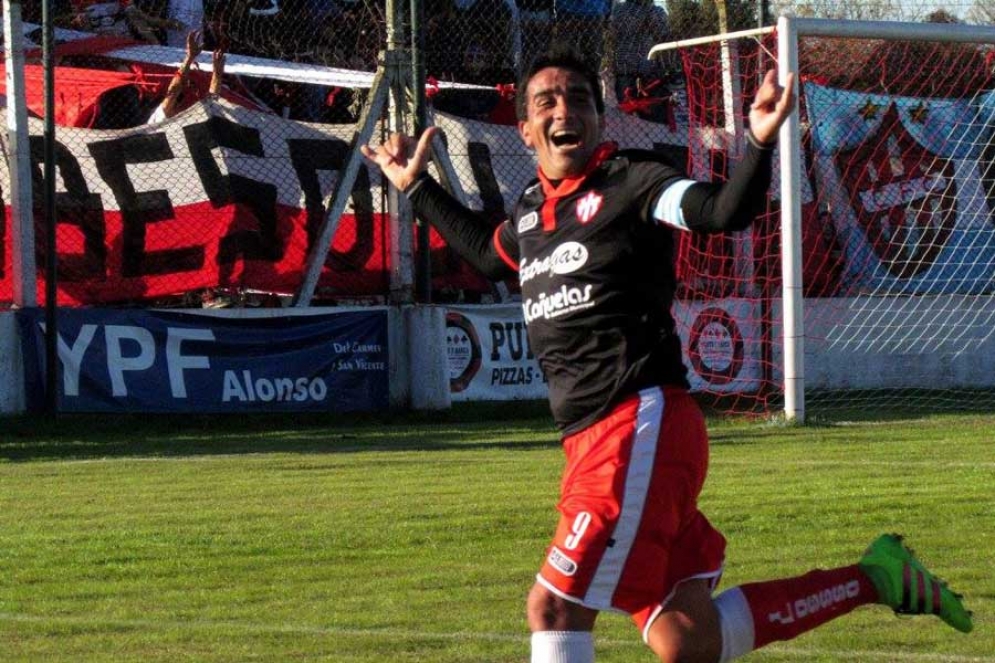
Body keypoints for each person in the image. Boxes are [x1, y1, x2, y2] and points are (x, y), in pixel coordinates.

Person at [360, 44, 973, 662]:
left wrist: (758, 142)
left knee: (553, 607)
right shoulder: (529, 213)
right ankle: (878, 577)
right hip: (595, 441)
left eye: (578, 98)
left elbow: (721, 212)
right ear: (525, 129)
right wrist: (416, 188)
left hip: (638, 420)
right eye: (546, 100)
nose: (563, 109)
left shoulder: (633, 182)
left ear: (599, 120)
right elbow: (487, 255)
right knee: (687, 639)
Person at [147, 30, 224, 123]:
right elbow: (173, 91)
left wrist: (217, 73)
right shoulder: (157, 121)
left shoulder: (193, 114)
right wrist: (190, 57)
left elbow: (212, 101)